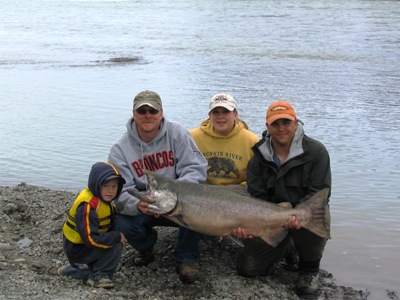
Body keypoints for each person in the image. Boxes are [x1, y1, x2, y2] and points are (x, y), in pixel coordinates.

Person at [233, 100, 331, 298]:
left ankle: (309, 270)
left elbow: (320, 191)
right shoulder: (258, 157)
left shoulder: (316, 151)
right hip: (270, 218)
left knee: (318, 212)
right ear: (267, 126)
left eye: (286, 122)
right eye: (275, 124)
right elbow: (256, 198)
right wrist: (247, 225)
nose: (281, 128)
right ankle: (287, 247)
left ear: (296, 123)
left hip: (302, 212)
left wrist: (296, 214)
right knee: (248, 269)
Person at [108, 90, 208, 283]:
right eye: (142, 111)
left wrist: (176, 195)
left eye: (152, 111)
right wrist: (138, 204)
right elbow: (119, 191)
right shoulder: (119, 149)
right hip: (146, 205)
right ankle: (147, 247)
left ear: (161, 112)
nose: (148, 115)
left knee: (198, 207)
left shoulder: (177, 133)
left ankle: (186, 258)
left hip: (179, 200)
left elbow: (195, 168)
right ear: (134, 113)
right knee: (121, 223)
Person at [58, 161, 127, 289]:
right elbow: (90, 239)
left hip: (86, 247)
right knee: (116, 242)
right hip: (77, 248)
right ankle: (98, 277)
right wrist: (116, 236)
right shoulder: (87, 206)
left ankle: (73, 270)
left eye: (114, 186)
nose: (110, 191)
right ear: (96, 184)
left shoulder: (106, 201)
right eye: (106, 185)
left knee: (120, 224)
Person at [189, 93, 259, 186]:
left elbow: (258, 178)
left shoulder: (252, 141)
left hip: (240, 195)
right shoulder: (191, 137)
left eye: (225, 111)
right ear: (209, 115)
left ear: (235, 114)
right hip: (202, 192)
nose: (220, 116)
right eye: (215, 112)